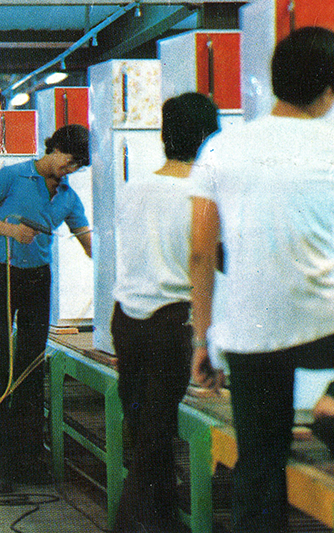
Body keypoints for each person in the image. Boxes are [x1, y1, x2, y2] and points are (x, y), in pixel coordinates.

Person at [189, 27, 334, 532]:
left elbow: (201, 252)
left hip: (249, 334)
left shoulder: (221, 147)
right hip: (327, 323)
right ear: (330, 91)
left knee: (259, 467)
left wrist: (204, 339)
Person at [111, 92, 219, 533]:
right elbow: (202, 260)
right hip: (168, 325)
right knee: (155, 437)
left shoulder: (133, 188)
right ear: (210, 135)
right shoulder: (202, 193)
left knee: (145, 433)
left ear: (163, 134)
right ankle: (127, 525)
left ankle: (164, 523)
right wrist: (202, 339)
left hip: (126, 320)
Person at [0, 124, 92, 494]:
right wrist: (10, 231)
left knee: (31, 370)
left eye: (76, 167)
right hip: (3, 275)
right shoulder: (11, 175)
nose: (69, 171)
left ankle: (26, 462)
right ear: (53, 148)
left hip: (39, 280)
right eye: (68, 162)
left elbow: (88, 243)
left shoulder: (68, 197)